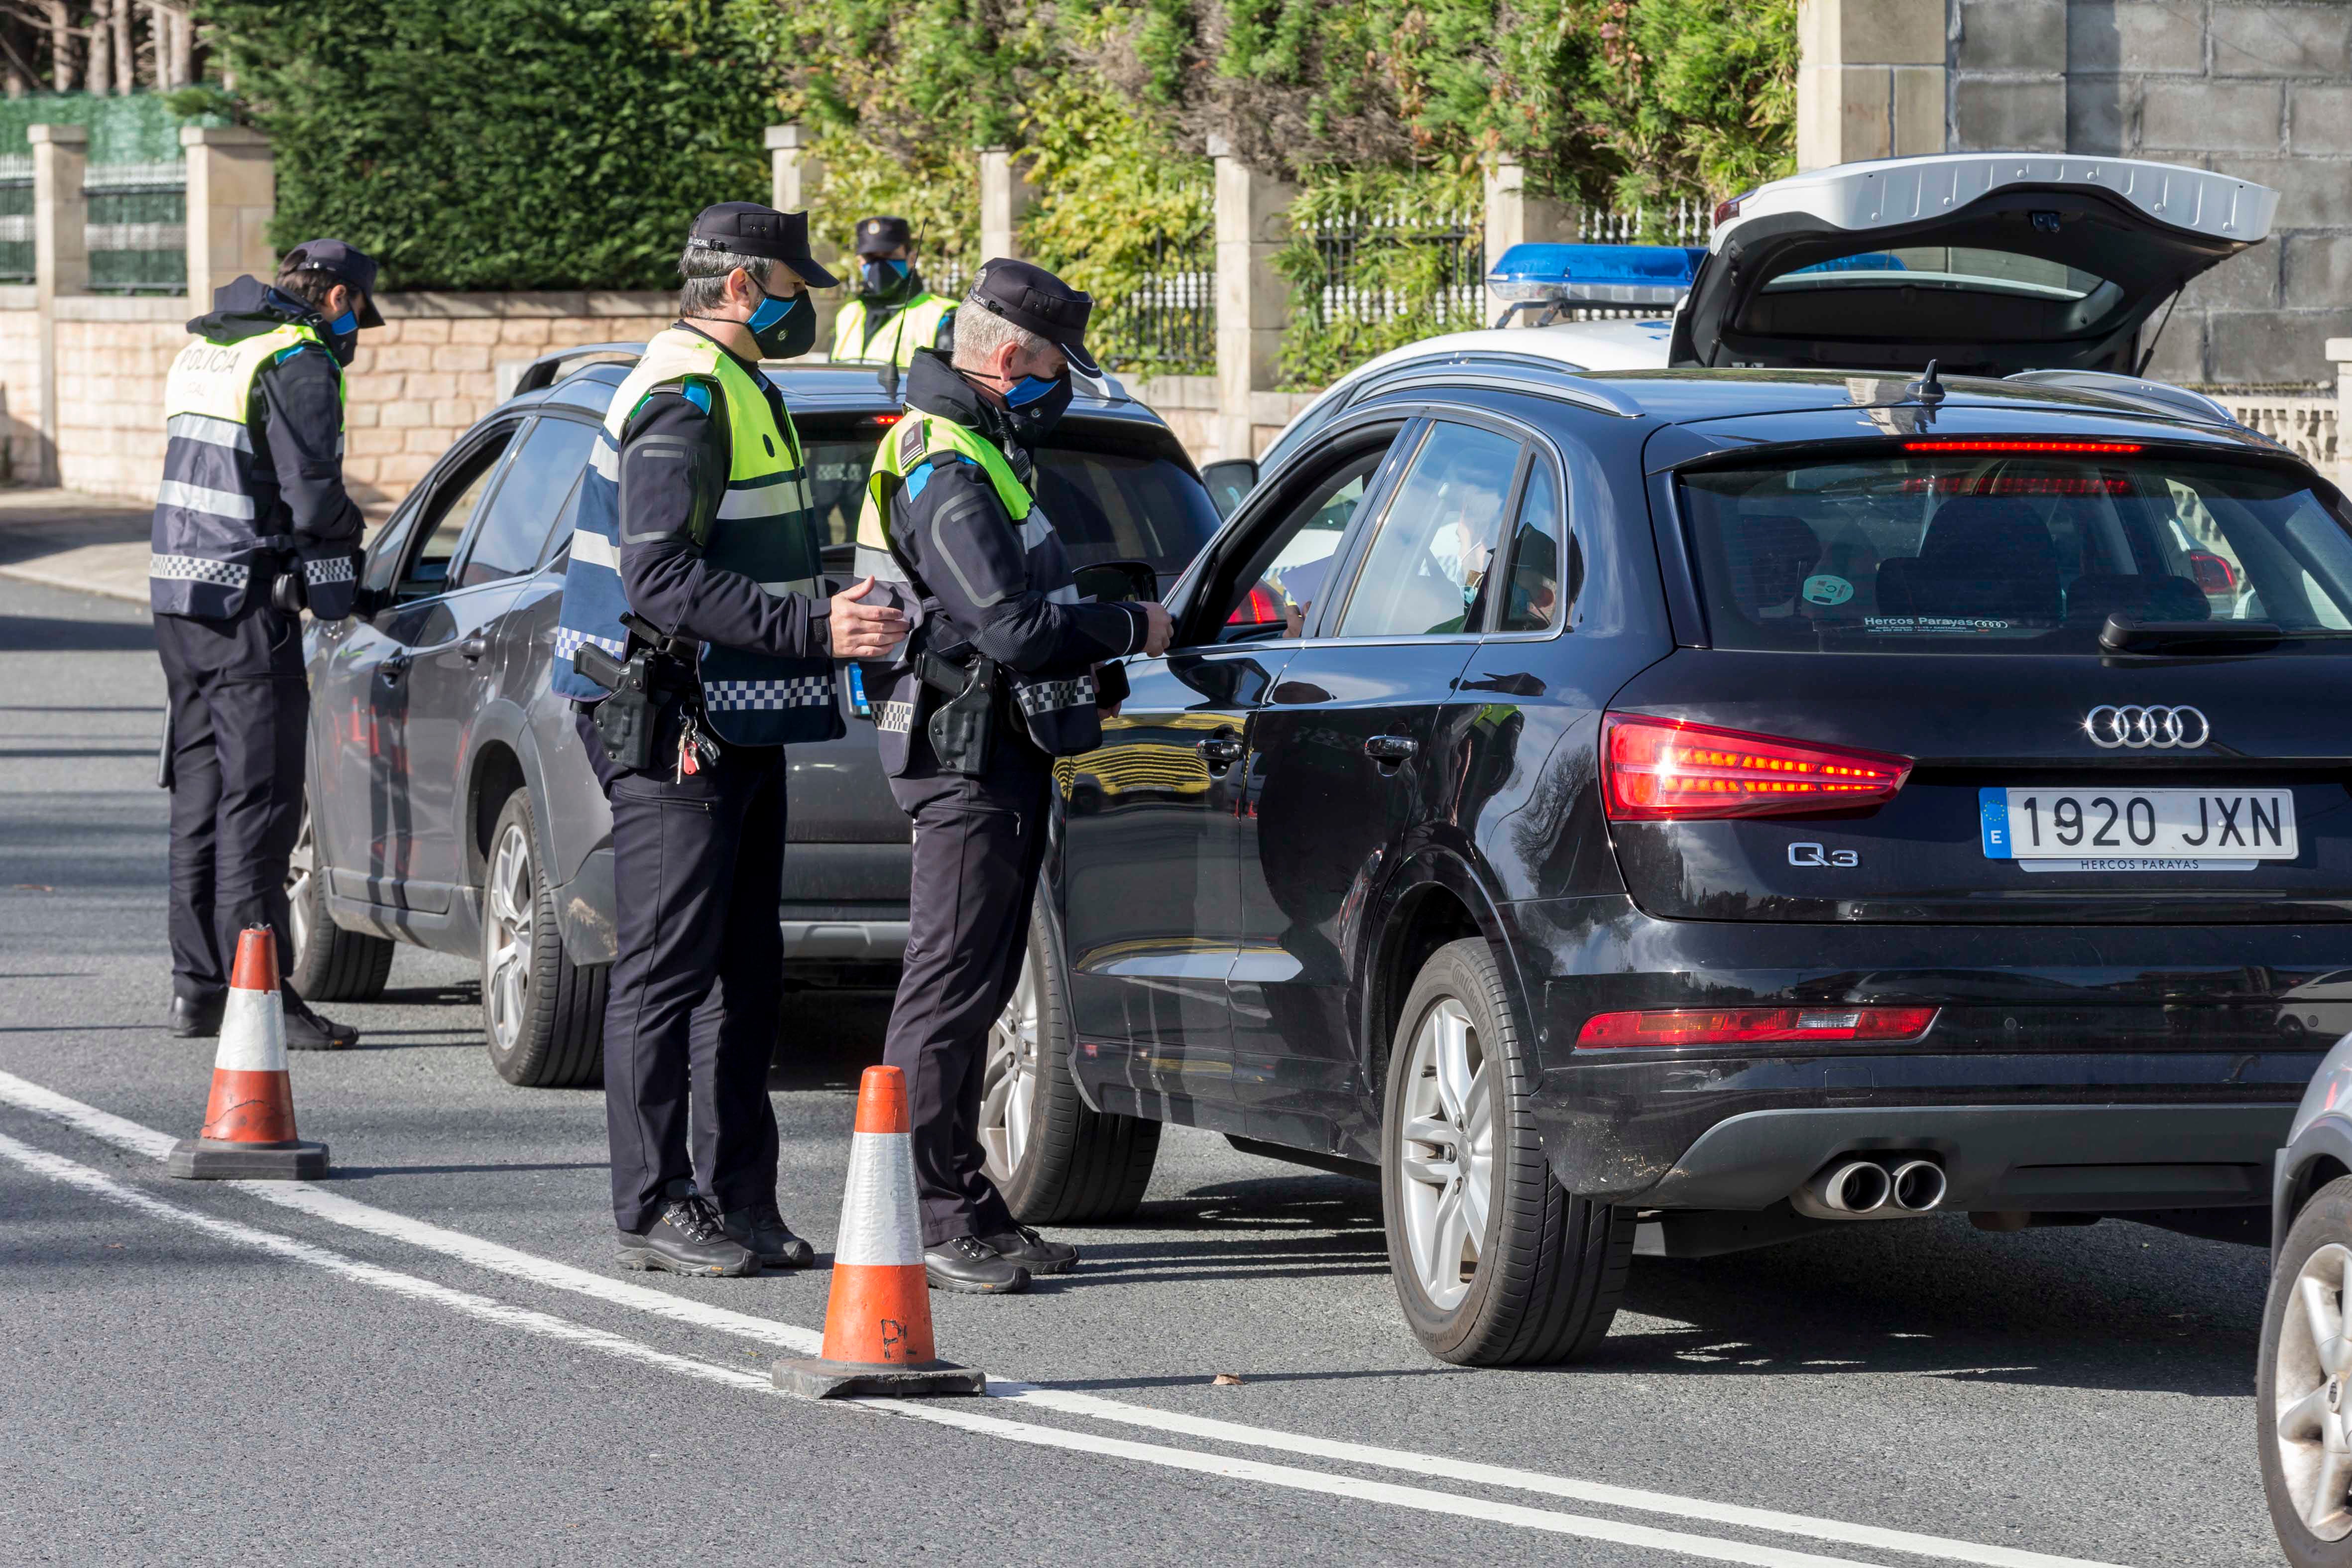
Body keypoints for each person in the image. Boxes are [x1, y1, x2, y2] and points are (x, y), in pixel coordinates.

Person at [549, 202, 909, 1278]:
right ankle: (655, 1201)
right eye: (797, 284)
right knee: (666, 968)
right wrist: (814, 625)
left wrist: (827, 590)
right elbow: (658, 577)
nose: (811, 303)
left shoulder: (741, 386)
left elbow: (741, 551)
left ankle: (740, 1197)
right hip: (675, 719)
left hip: (738, 712)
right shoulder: (686, 396)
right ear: (745, 286)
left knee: (743, 969)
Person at [852, 259, 1173, 1294]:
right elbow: (1009, 625)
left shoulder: (977, 444)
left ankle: (958, 1199)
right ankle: (930, 1211)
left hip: (992, 746)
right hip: (963, 751)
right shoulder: (941, 459)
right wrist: (1132, 623)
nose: (1059, 384)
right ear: (1007, 357)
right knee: (950, 986)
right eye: (1050, 366)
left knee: (974, 980)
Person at [151, 239, 384, 1050]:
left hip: (179, 598)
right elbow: (312, 495)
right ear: (337, 299)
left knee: (201, 798)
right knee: (262, 804)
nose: (355, 329)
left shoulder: (211, 346)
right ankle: (264, 995)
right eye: (357, 311)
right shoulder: (297, 358)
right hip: (249, 606)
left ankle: (198, 987)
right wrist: (351, 548)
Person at [828, 215, 955, 369]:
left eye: (889, 255)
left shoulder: (943, 317)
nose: (880, 267)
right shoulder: (847, 315)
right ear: (860, 263)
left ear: (912, 259)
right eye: (871, 258)